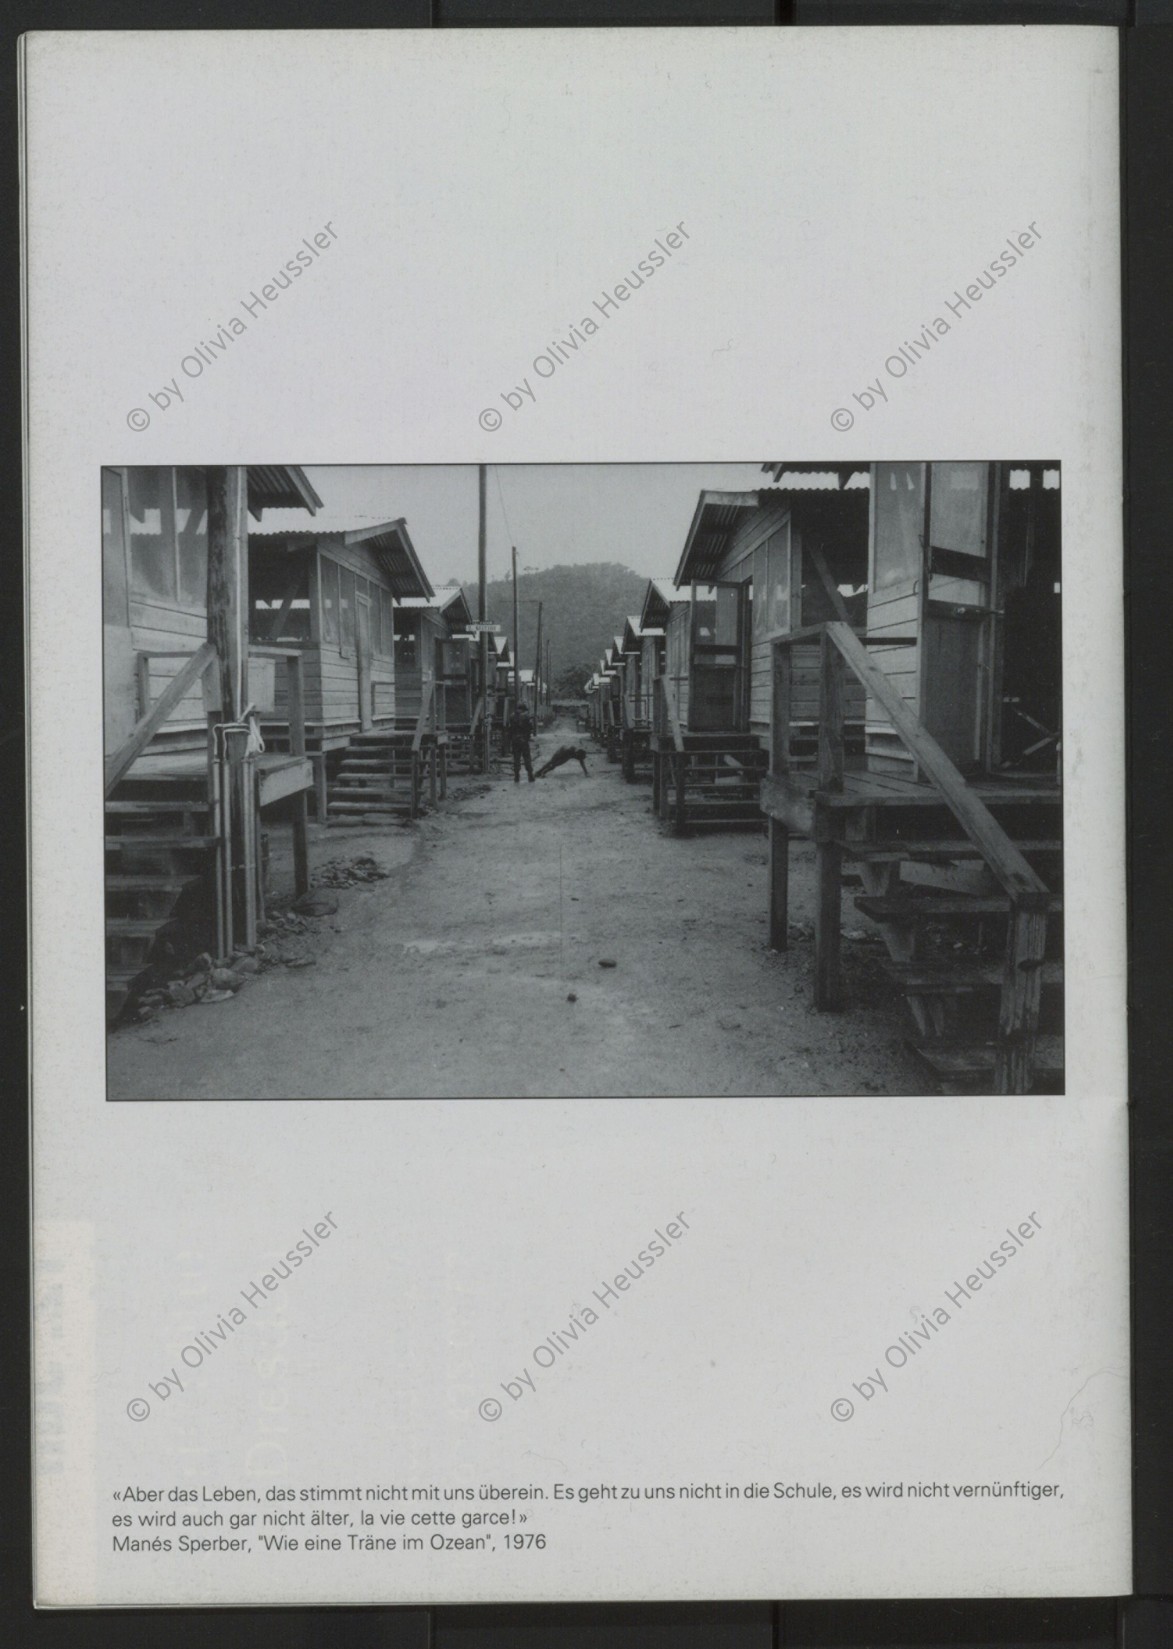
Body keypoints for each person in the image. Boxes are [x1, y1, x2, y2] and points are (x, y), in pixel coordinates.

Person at [506, 702, 535, 782]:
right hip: (524, 740)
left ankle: (516, 776)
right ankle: (530, 775)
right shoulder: (526, 716)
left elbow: (510, 729)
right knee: (527, 757)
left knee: (516, 758)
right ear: (524, 709)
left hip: (515, 740)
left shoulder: (512, 716)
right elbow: (530, 727)